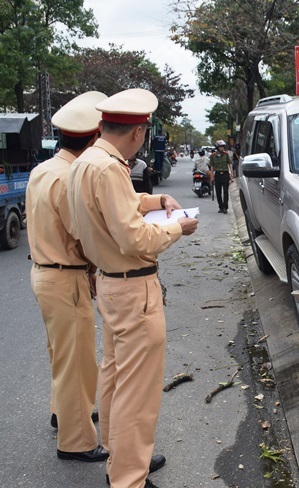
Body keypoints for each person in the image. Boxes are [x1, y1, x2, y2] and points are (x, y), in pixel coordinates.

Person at [68, 88, 199, 488]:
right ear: (139, 132)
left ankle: (119, 456)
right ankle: (128, 477)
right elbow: (135, 240)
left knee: (115, 377)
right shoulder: (109, 168)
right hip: (132, 287)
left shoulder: (87, 161)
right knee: (136, 392)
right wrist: (178, 227)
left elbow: (109, 212)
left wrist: (151, 200)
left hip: (110, 283)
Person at [26, 91, 109, 464]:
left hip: (44, 272)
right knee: (75, 359)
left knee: (61, 353)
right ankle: (76, 441)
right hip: (66, 275)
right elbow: (83, 235)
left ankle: (65, 411)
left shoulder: (43, 170)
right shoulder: (70, 177)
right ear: (92, 139)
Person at [210, 139, 233, 213]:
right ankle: (221, 206)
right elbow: (212, 166)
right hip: (217, 175)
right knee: (218, 192)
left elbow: (229, 163)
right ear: (217, 147)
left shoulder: (226, 155)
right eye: (220, 147)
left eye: (222, 147)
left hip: (225, 174)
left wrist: (231, 172)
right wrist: (211, 176)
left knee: (226, 191)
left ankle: (225, 207)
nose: (222, 148)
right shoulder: (213, 156)